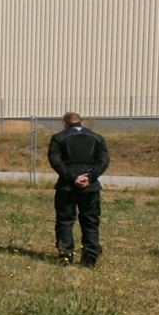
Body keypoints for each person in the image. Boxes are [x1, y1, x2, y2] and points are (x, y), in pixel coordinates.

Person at [47, 112, 110, 267]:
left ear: (65, 122)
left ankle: (66, 255)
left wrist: (72, 177)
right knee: (90, 221)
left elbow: (55, 161)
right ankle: (90, 256)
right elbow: (103, 160)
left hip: (66, 187)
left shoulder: (58, 138)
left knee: (65, 221)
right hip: (91, 188)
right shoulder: (97, 137)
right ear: (81, 122)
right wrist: (90, 177)